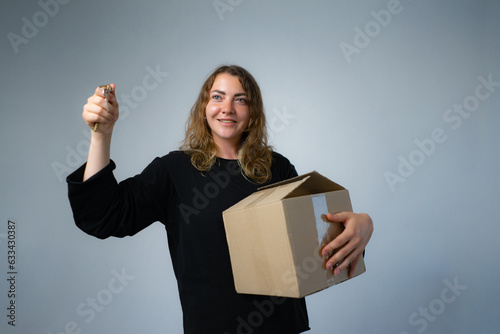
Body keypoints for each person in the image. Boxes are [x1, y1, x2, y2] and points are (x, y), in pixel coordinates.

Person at [67, 65, 373, 333]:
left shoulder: (276, 167)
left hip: (280, 325)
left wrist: (363, 225)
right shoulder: (174, 170)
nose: (227, 107)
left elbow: (320, 243)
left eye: (240, 100)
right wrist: (101, 135)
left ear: (252, 114)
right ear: (204, 107)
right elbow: (104, 215)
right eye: (218, 97)